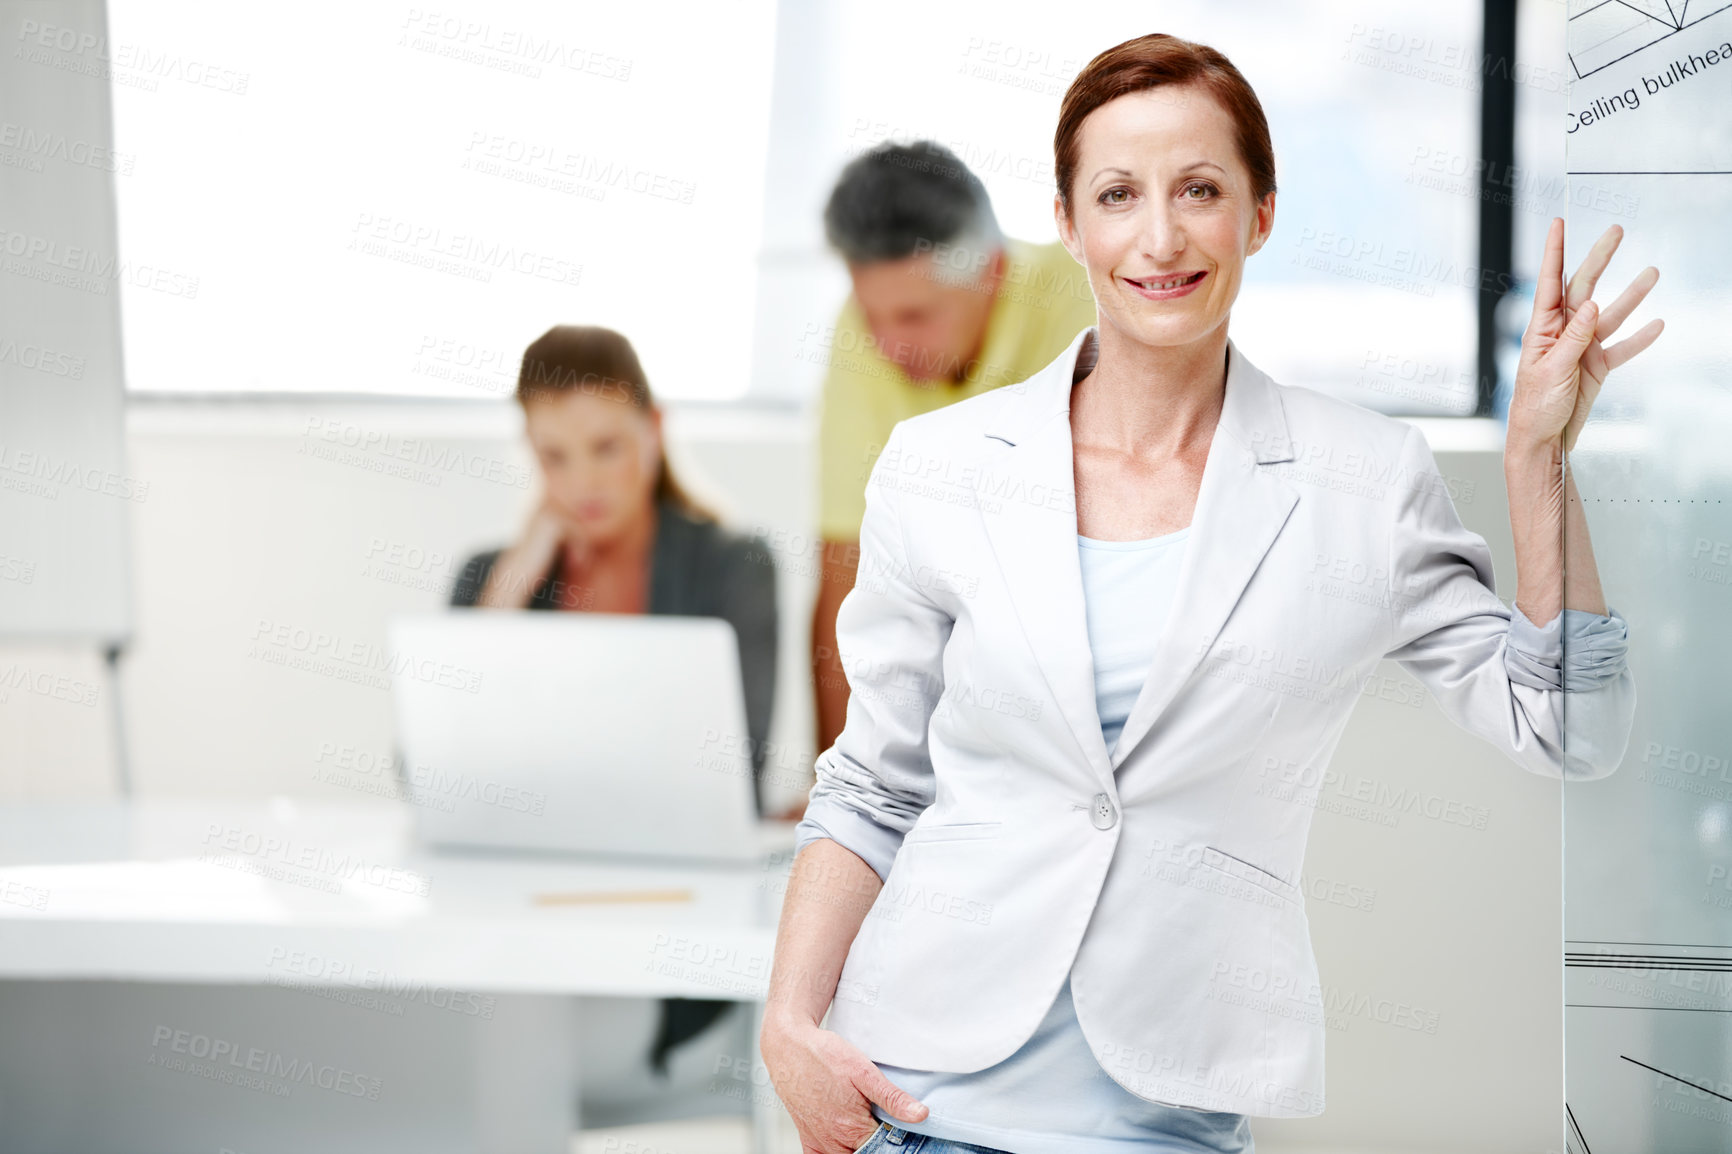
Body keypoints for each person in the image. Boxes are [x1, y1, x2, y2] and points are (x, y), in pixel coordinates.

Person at [762, 32, 1652, 1154]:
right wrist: (789, 1019)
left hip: (1164, 1112)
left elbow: (1572, 725)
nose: (1161, 235)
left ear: (1261, 213)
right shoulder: (940, 465)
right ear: (1070, 221)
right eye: (1119, 194)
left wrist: (1539, 460)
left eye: (1200, 190)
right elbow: (872, 785)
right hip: (909, 1095)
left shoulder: (1360, 479)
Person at [449, 323, 780, 1079]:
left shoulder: (732, 567)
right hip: (516, 932)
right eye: (553, 456)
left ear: (654, 432)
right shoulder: (486, 580)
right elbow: (430, 775)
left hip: (669, 940)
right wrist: (509, 589)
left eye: (606, 446)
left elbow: (737, 776)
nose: (582, 483)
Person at [810, 140, 1098, 761]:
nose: (887, 343)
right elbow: (845, 568)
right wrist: (831, 798)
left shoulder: (1084, 301)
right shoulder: (862, 328)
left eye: (914, 316)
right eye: (873, 314)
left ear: (990, 269)